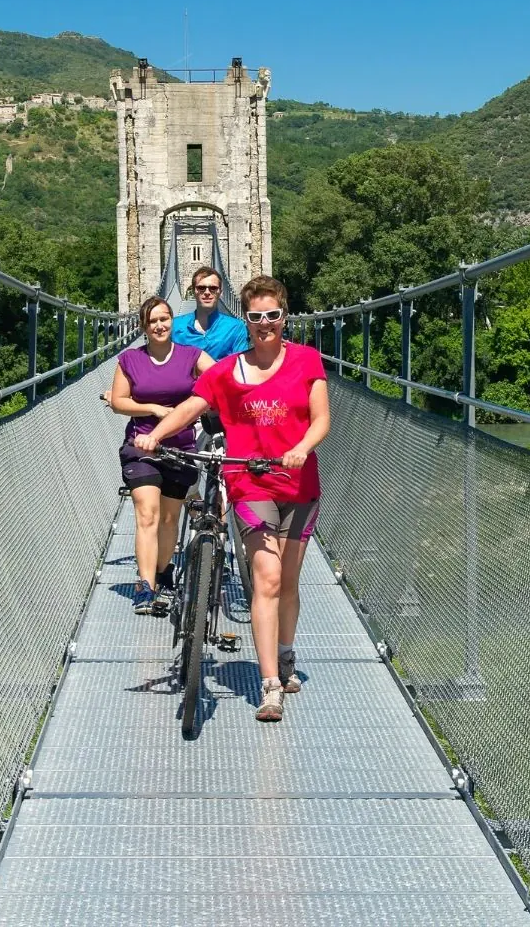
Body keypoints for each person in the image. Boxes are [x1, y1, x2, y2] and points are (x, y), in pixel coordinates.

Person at [136, 275, 329, 723]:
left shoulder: (306, 360)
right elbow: (193, 406)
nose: (265, 324)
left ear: (285, 316)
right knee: (266, 578)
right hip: (250, 481)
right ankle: (270, 686)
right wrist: (156, 434)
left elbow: (321, 419)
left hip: (298, 483)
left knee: (289, 583)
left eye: (273, 315)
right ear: (247, 319)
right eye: (256, 316)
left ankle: (285, 653)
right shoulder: (228, 370)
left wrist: (302, 446)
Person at [109, 295, 213, 614]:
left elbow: (223, 379)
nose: (159, 324)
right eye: (153, 320)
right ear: (143, 326)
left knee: (170, 519)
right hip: (141, 445)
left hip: (180, 448)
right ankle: (145, 585)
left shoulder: (192, 355)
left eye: (165, 318)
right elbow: (117, 401)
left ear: (172, 321)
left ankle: (164, 573)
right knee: (148, 514)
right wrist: (151, 408)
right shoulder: (130, 360)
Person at [172, 266, 249, 360]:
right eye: (201, 288)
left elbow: (240, 367)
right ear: (194, 291)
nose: (207, 292)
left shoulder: (236, 328)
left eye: (213, 288)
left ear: (220, 292)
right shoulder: (174, 326)